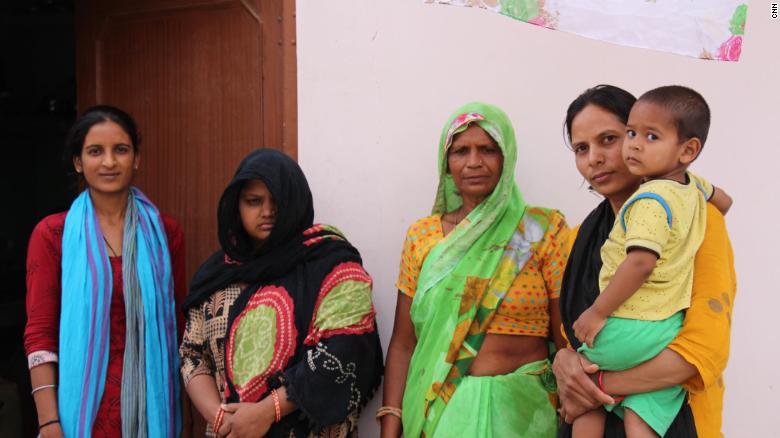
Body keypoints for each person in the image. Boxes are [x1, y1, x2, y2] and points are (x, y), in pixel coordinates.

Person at [556, 85, 737, 438]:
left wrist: (597, 387)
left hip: (674, 421)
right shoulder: (580, 238)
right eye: (581, 148)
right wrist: (564, 363)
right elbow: (572, 338)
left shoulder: (699, 223)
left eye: (610, 139)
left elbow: (702, 351)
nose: (594, 158)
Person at [381, 102, 569, 437]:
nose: (473, 162)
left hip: (523, 412)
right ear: (446, 164)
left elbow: (563, 334)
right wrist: (391, 423)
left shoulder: (541, 230)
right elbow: (403, 344)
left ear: (506, 157)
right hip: (439, 413)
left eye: (487, 150)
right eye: (460, 151)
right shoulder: (423, 237)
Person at [179, 148, 383, 438]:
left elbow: (344, 353)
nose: (267, 212)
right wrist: (221, 418)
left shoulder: (331, 265)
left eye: (278, 201)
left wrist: (267, 411)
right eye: (253, 201)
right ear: (236, 205)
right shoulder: (217, 274)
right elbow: (192, 354)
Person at [24, 105, 185, 438]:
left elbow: (181, 327)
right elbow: (40, 334)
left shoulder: (165, 233)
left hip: (151, 412)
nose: (109, 162)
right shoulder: (52, 235)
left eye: (121, 150)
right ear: (78, 162)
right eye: (96, 151)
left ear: (136, 158)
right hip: (77, 417)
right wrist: (49, 421)